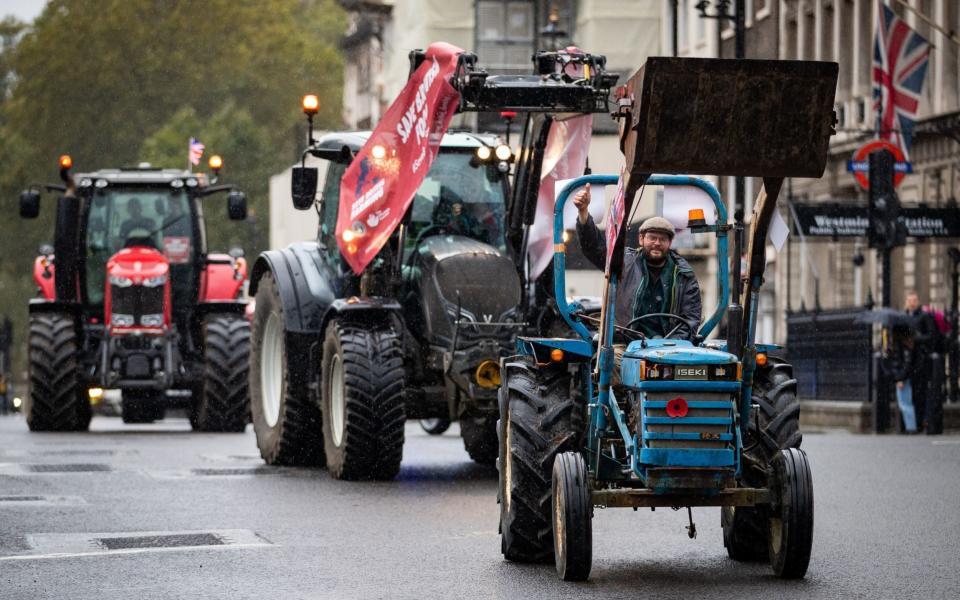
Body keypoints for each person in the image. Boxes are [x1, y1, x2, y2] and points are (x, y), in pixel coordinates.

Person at [573, 183, 702, 340]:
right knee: (613, 362)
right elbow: (594, 248)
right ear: (641, 239)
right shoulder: (624, 261)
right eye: (652, 237)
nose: (657, 243)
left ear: (670, 242)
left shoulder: (684, 274)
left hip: (669, 347)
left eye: (663, 239)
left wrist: (672, 345)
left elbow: (690, 318)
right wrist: (583, 212)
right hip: (626, 343)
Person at [905, 291, 940, 431]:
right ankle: (913, 422)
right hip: (908, 361)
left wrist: (916, 339)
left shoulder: (924, 316)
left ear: (917, 301)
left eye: (914, 300)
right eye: (910, 300)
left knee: (922, 391)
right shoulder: (904, 317)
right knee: (912, 393)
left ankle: (922, 421)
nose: (912, 303)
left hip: (921, 360)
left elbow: (932, 336)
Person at [887, 325, 918, 433]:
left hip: (902, 378)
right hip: (903, 377)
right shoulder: (904, 346)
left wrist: (900, 379)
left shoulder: (900, 347)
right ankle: (910, 427)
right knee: (905, 403)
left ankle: (911, 427)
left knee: (905, 404)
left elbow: (903, 365)